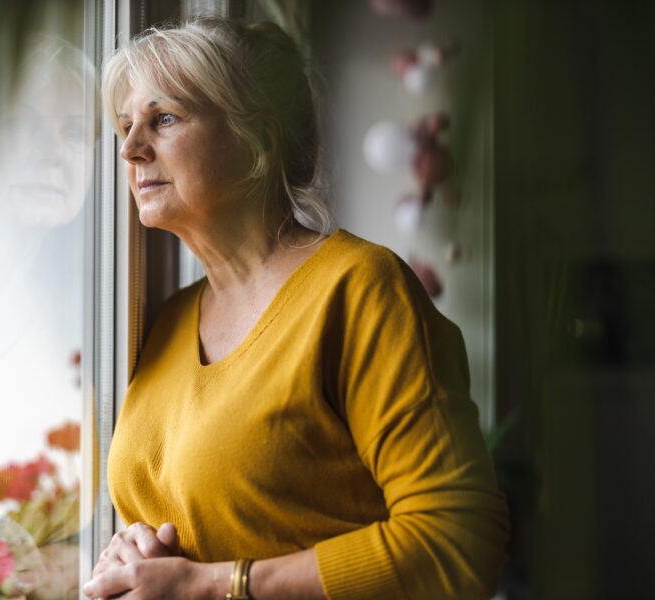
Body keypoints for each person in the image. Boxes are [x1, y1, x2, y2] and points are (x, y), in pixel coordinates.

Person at [83, 17, 509, 600]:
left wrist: (215, 585)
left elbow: (458, 543)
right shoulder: (168, 320)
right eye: (126, 124)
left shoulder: (359, 288)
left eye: (164, 119)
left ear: (258, 136)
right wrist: (134, 553)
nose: (130, 149)